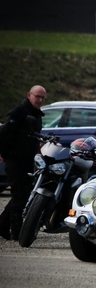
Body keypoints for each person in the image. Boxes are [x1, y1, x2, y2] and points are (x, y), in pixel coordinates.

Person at [0, 85, 46, 241]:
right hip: (14, 159)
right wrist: (2, 153)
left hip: (28, 160)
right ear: (29, 95)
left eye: (42, 98)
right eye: (37, 96)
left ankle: (2, 225)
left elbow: (35, 138)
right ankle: (17, 231)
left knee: (23, 194)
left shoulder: (37, 115)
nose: (40, 100)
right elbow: (5, 133)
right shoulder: (18, 112)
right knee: (19, 195)